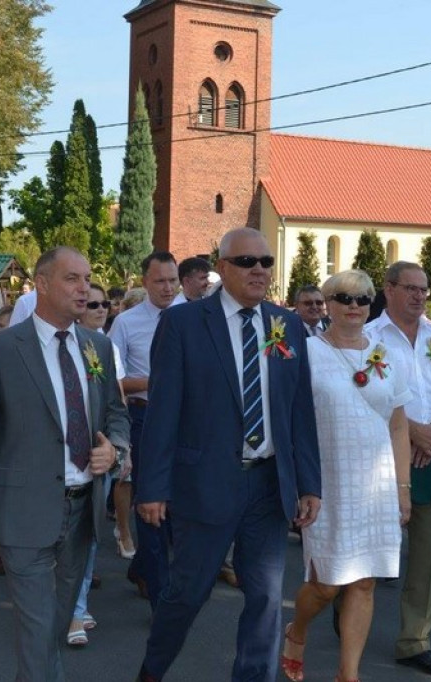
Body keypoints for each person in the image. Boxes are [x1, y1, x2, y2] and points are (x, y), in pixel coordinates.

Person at [134, 227, 322, 682]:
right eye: (246, 262)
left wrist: (309, 483)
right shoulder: (183, 324)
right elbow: (163, 411)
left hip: (267, 485)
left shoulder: (287, 324)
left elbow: (299, 410)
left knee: (265, 599)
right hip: (205, 484)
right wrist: (153, 488)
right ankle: (152, 671)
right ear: (222, 268)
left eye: (266, 262)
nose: (259, 270)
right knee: (185, 595)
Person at [0, 247, 130, 682]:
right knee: (35, 628)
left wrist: (116, 449)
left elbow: (116, 415)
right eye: (72, 279)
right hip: (24, 510)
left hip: (82, 509)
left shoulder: (98, 347)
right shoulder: (1, 348)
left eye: (87, 279)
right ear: (42, 285)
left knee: (51, 628)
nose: (84, 288)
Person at [281, 270, 411, 682]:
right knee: (326, 585)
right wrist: (301, 485)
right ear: (327, 304)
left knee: (365, 583)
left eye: (362, 300)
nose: (354, 307)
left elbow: (398, 425)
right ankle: (296, 630)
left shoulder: (388, 354)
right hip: (326, 483)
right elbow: (290, 421)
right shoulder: (304, 352)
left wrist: (403, 489)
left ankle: (348, 674)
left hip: (376, 484)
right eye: (343, 298)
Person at [363, 262, 431, 679]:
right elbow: (366, 401)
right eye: (410, 288)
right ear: (388, 289)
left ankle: (415, 640)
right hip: (381, 454)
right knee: (373, 546)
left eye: (424, 290)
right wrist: (414, 433)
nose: (419, 297)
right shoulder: (369, 338)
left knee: (426, 554)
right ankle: (347, 606)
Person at [110, 252, 180, 609]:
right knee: (150, 501)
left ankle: (143, 568)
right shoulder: (126, 323)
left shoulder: (193, 316)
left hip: (186, 422)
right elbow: (113, 381)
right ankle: (159, 591)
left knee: (178, 505)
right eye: (160, 281)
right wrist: (155, 383)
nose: (168, 288)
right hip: (145, 418)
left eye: (172, 280)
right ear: (144, 282)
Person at [67, 282, 131, 647]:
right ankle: (59, 603)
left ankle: (76, 607)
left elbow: (115, 405)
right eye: (92, 303)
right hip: (51, 467)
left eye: (103, 303)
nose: (98, 308)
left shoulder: (102, 347)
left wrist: (118, 449)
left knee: (88, 536)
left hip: (94, 462)